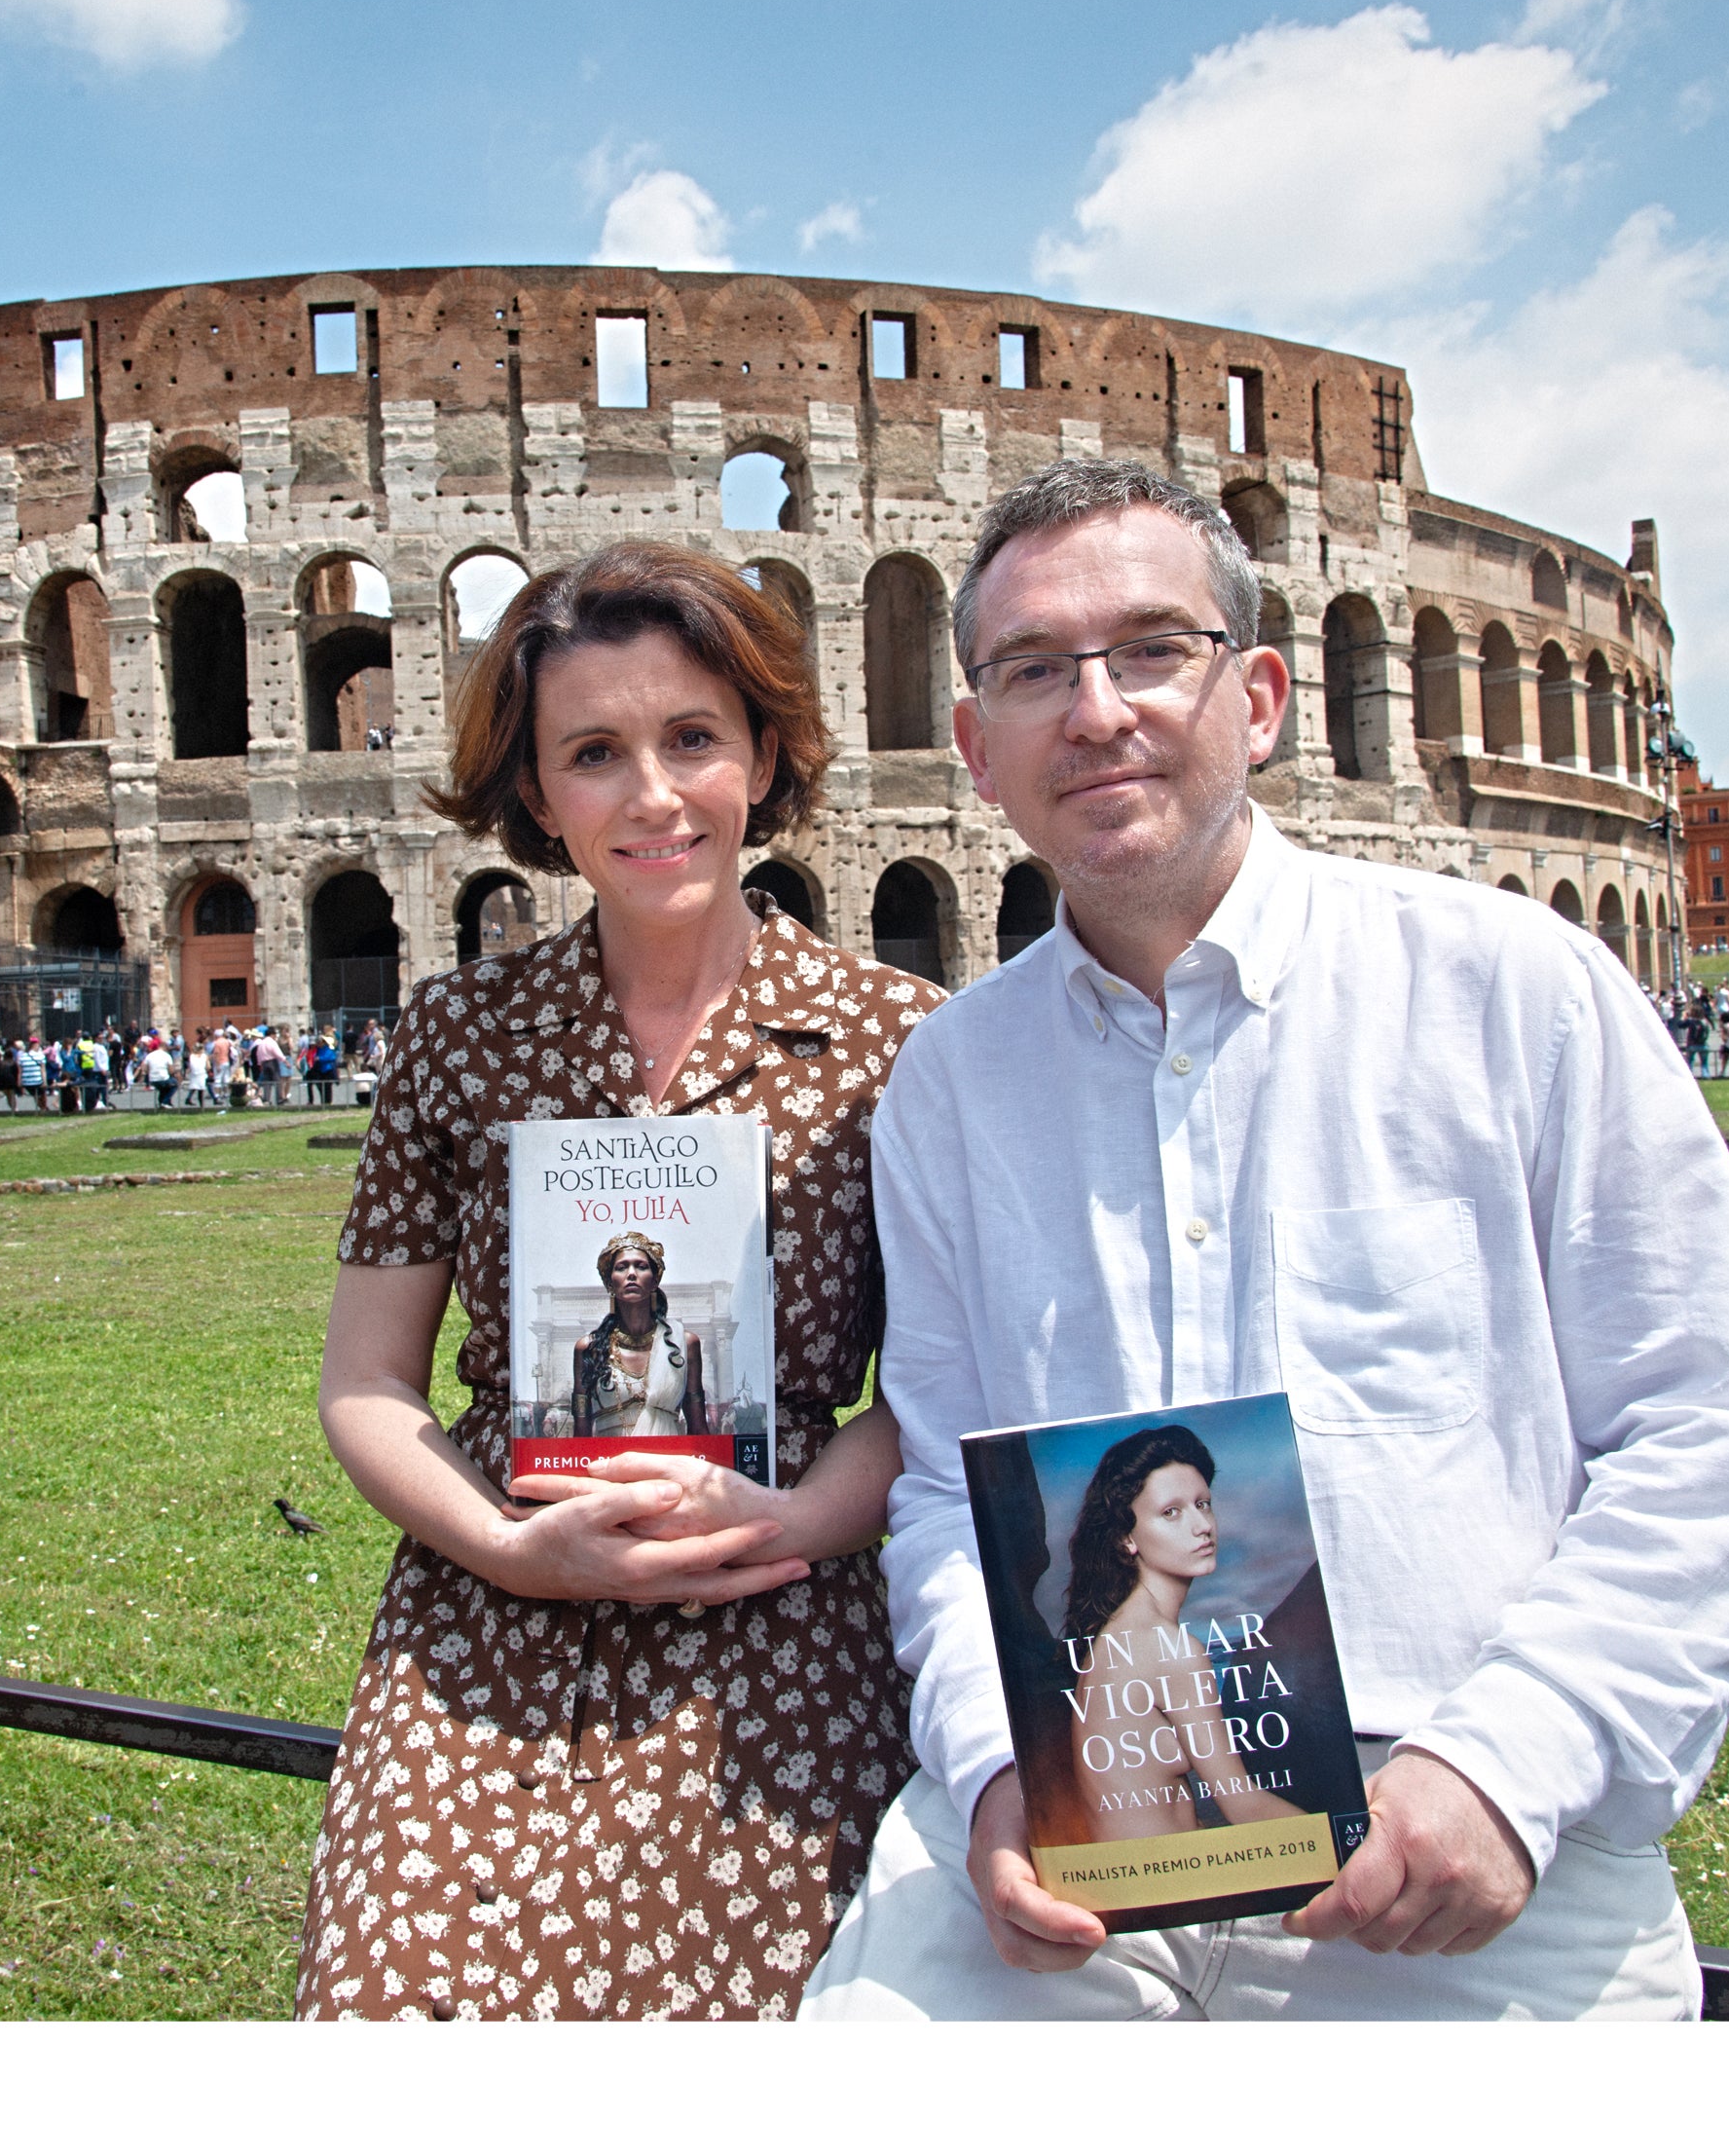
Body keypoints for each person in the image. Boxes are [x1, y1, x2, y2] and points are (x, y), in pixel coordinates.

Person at [800, 460, 1729, 2022]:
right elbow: (944, 1483)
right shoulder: (949, 1084)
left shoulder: (1512, 992)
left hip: (1456, 1813)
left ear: (1261, 696)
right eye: (1030, 671)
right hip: (1073, 1834)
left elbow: (1720, 1432)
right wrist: (995, 1762)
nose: (1094, 710)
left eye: (1153, 649)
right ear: (973, 750)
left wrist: (1510, 1760)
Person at [301, 539, 931, 2020]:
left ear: (763, 757)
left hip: (782, 1617)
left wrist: (789, 1518)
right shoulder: (462, 1033)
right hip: (490, 1614)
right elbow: (367, 1383)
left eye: (693, 739)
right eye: (594, 753)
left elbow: (937, 1393)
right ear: (534, 793)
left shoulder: (897, 1037)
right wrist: (511, 1550)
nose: (652, 796)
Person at [1053, 1425, 1306, 1845]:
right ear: (1126, 1537)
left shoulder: (1118, 1633)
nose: (1201, 1525)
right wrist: (1347, 1845)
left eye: (1203, 1504)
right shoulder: (1166, 1648)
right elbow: (1243, 1807)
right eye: (1171, 1512)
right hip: (1176, 1895)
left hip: (1146, 1882)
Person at [560, 1232, 706, 1438]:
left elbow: (699, 1428)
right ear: (610, 1284)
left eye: (641, 1266)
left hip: (668, 1463)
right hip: (609, 1464)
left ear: (655, 1281)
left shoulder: (684, 1343)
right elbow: (581, 1433)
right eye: (621, 1267)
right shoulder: (587, 1348)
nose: (631, 1274)